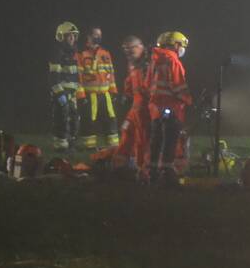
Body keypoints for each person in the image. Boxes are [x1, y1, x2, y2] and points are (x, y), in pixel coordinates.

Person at [146, 31, 192, 186]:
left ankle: (151, 172)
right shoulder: (173, 61)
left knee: (156, 140)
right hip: (171, 107)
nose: (182, 49)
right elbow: (178, 86)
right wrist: (188, 100)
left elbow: (147, 84)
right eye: (182, 45)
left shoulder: (154, 60)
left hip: (155, 109)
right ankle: (166, 172)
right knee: (170, 141)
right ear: (176, 44)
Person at [75, 27, 119, 149]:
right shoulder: (81, 54)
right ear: (88, 36)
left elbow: (111, 74)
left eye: (99, 34)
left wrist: (113, 91)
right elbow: (78, 76)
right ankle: (88, 146)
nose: (98, 37)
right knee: (89, 120)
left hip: (105, 95)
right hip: (90, 94)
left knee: (110, 118)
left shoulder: (105, 53)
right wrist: (80, 95)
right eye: (95, 34)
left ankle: (113, 146)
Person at [115, 35, 150, 172]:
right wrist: (126, 94)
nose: (128, 53)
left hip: (145, 108)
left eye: (131, 49)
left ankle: (142, 167)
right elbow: (130, 80)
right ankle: (121, 165)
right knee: (126, 130)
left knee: (142, 138)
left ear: (140, 47)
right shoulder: (133, 63)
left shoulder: (148, 64)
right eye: (126, 50)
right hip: (135, 107)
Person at [48, 22, 81, 150]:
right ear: (61, 37)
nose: (72, 38)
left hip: (72, 93)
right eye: (69, 36)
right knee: (61, 117)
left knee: (75, 118)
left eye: (74, 35)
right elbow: (53, 77)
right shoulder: (58, 53)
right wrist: (59, 94)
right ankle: (60, 144)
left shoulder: (74, 53)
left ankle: (71, 142)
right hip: (61, 92)